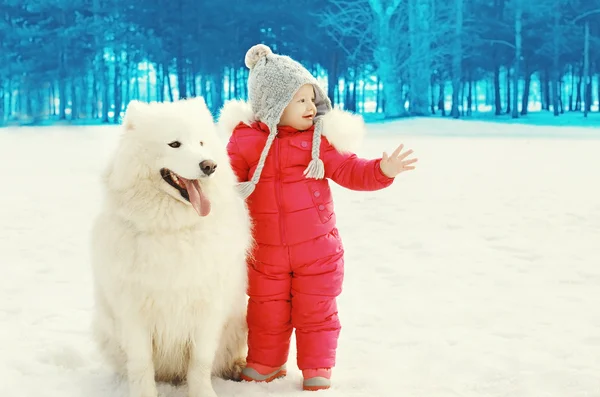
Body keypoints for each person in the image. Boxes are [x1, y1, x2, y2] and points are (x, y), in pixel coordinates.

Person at [222, 44, 418, 391]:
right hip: (264, 252)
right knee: (266, 311)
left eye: (312, 98)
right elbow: (225, 185)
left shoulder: (320, 142)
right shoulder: (244, 141)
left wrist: (381, 170)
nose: (311, 107)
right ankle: (265, 364)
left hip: (317, 253)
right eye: (300, 100)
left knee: (317, 312)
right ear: (273, 104)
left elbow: (350, 169)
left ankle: (317, 368)